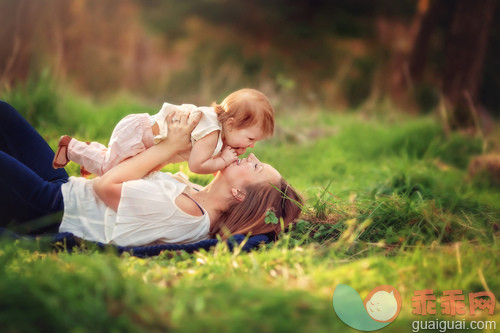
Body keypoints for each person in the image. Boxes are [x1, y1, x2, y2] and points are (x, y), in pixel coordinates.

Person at [0, 100, 302, 247]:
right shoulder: (196, 196)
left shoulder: (186, 213)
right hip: (64, 187)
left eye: (257, 167)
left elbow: (105, 186)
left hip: (48, 208)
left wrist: (168, 147)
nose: (252, 156)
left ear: (239, 194)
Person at [52, 88, 275, 176]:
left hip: (141, 135)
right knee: (109, 171)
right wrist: (224, 160)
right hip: (137, 135)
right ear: (232, 123)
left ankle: (94, 152)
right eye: (250, 138)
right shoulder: (211, 134)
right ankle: (71, 146)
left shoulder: (218, 127)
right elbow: (197, 166)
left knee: (130, 174)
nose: (252, 145)